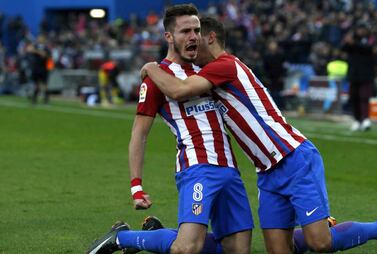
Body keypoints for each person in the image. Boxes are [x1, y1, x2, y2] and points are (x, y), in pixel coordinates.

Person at [141, 17, 377, 254]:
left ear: (210, 38)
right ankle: (314, 224)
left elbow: (177, 90)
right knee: (280, 249)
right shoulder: (209, 73)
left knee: (321, 244)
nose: (191, 46)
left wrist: (152, 68)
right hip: (267, 172)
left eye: (196, 40)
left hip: (294, 158)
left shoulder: (225, 66)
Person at [86, 5, 253, 254]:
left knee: (236, 250)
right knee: (186, 249)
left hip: (230, 169)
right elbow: (139, 134)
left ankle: (159, 236)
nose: (193, 36)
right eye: (185, 31)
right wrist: (136, 185)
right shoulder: (157, 78)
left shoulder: (207, 69)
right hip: (197, 168)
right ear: (169, 37)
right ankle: (122, 238)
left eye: (196, 30)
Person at [341, 22, 376, 131]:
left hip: (366, 74)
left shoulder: (371, 39)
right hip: (353, 74)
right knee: (354, 98)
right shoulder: (353, 40)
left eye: (362, 29)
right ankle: (357, 120)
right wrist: (347, 41)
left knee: (364, 97)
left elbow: (369, 49)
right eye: (359, 29)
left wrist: (353, 43)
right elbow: (343, 48)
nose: (360, 31)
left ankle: (366, 119)